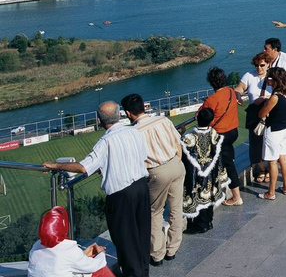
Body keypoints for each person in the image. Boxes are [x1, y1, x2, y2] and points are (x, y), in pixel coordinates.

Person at [43, 101, 150, 277]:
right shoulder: (134, 132)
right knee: (142, 235)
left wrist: (55, 165)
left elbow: (84, 168)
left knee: (126, 242)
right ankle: (143, 272)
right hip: (141, 187)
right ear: (119, 115)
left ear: (99, 120)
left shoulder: (105, 141)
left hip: (121, 195)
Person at [121, 93, 184, 267]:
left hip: (156, 171)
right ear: (144, 107)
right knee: (176, 208)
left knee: (154, 212)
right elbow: (177, 143)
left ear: (128, 113)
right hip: (176, 164)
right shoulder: (163, 120)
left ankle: (157, 254)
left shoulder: (133, 132)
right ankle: (173, 248)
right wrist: (176, 161)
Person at [181, 107, 229, 234]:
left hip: (195, 174)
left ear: (197, 118)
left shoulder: (189, 137)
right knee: (210, 196)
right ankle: (208, 221)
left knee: (198, 198)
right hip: (212, 173)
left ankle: (201, 225)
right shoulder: (214, 134)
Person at [28, 206, 113, 277]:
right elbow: (94, 266)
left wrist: (82, 255)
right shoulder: (68, 250)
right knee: (100, 270)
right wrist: (101, 254)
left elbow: (60, 263)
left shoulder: (36, 247)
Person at [201, 66, 243, 206]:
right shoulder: (230, 91)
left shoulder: (211, 99)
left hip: (220, 135)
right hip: (233, 132)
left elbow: (201, 115)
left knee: (226, 165)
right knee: (228, 159)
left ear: (211, 82)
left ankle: (236, 197)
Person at [233, 52, 272, 184]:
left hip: (270, 113)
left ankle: (269, 169)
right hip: (255, 115)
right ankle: (261, 169)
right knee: (255, 144)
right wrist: (238, 96)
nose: (259, 68)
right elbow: (239, 88)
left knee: (269, 142)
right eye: (256, 65)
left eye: (262, 65)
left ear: (268, 64)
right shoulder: (249, 75)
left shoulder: (273, 76)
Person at [257, 67, 286, 200]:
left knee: (272, 162)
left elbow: (261, 114)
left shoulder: (274, 98)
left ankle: (270, 192)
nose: (267, 80)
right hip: (285, 129)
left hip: (273, 131)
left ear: (274, 80)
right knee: (283, 157)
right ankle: (285, 187)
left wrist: (264, 103)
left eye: (269, 78)